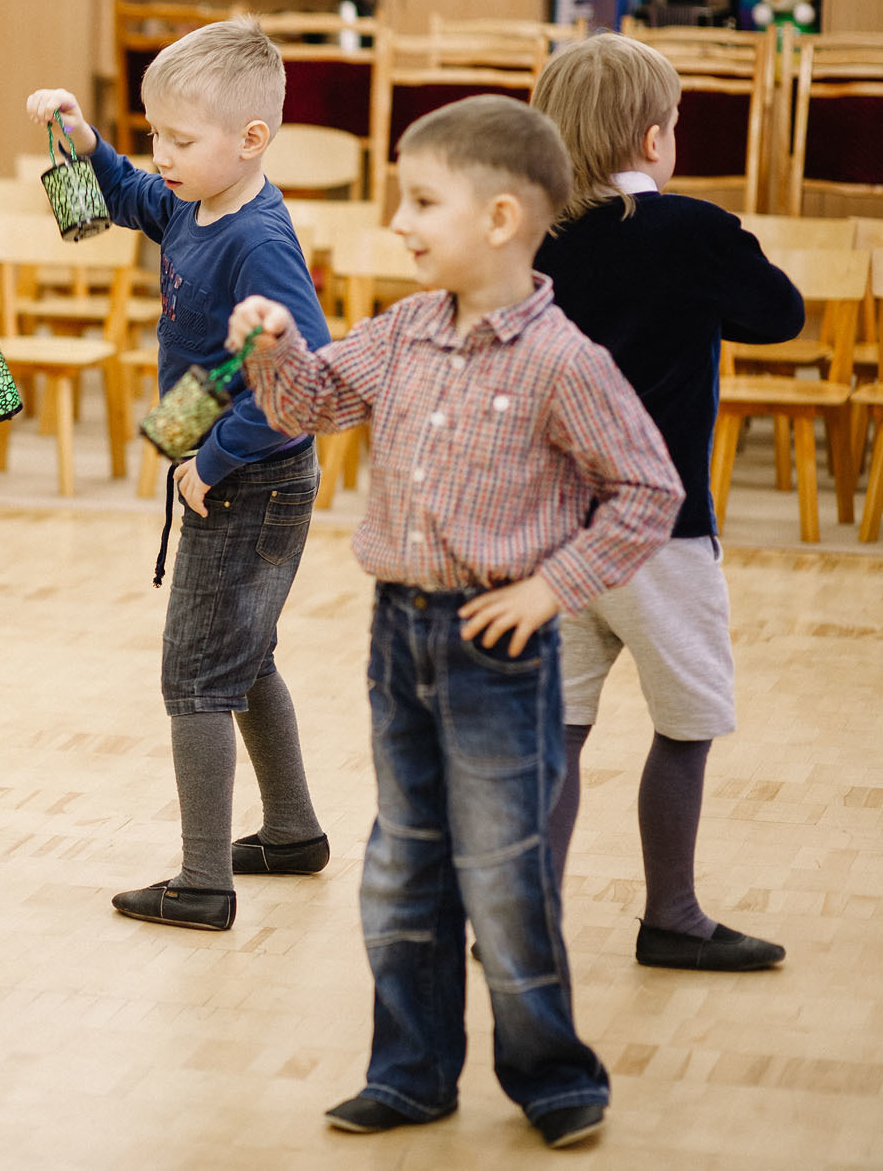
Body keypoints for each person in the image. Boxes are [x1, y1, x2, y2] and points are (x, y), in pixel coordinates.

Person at [228, 95, 684, 1149]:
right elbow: (302, 408)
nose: (399, 219)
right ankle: (410, 1071)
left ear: (499, 218)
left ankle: (550, 1072)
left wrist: (551, 587)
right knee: (401, 861)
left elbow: (646, 491)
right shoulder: (397, 332)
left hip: (497, 650)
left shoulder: (563, 359)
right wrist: (274, 346)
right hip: (399, 641)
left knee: (502, 871)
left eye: (421, 200)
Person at [25, 17, 333, 936]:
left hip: (254, 477)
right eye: (154, 133)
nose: (160, 154)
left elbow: (302, 380)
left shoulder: (260, 242)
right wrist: (84, 138)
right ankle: (291, 831)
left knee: (195, 671)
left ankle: (204, 882)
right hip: (232, 470)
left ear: (251, 140)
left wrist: (214, 459)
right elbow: (120, 193)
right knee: (246, 654)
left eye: (180, 140)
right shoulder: (190, 199)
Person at [530, 32, 797, 972]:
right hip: (661, 536)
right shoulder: (693, 232)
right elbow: (781, 315)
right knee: (686, 722)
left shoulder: (527, 237)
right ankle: (672, 915)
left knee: (556, 730)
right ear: (654, 138)